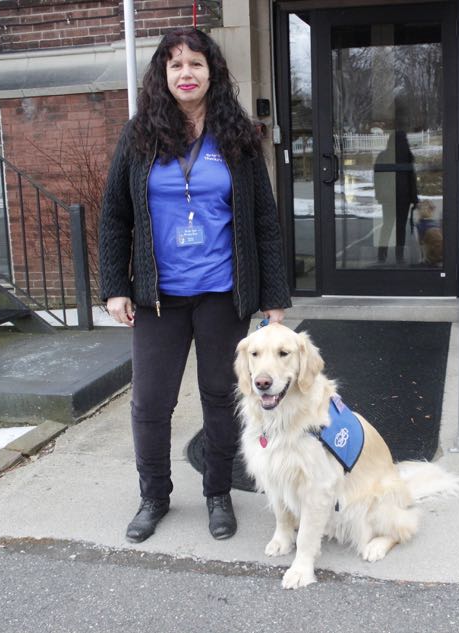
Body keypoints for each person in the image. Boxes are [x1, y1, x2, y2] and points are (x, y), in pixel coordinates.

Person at [99, 28, 291, 544]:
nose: (186, 74)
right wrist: (116, 285)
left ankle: (217, 493)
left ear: (213, 73)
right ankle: (154, 496)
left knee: (222, 396)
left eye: (196, 65)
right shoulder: (140, 135)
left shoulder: (239, 136)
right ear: (163, 76)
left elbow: (263, 220)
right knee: (150, 403)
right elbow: (115, 215)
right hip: (158, 298)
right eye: (176, 65)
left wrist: (272, 298)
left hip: (221, 294)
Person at [373, 129, 418, 264]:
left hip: (388, 197)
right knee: (400, 228)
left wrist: (379, 195)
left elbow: (377, 178)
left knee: (387, 226)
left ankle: (381, 256)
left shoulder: (382, 156)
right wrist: (414, 198)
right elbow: (412, 179)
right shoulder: (408, 156)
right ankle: (399, 256)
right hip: (403, 197)